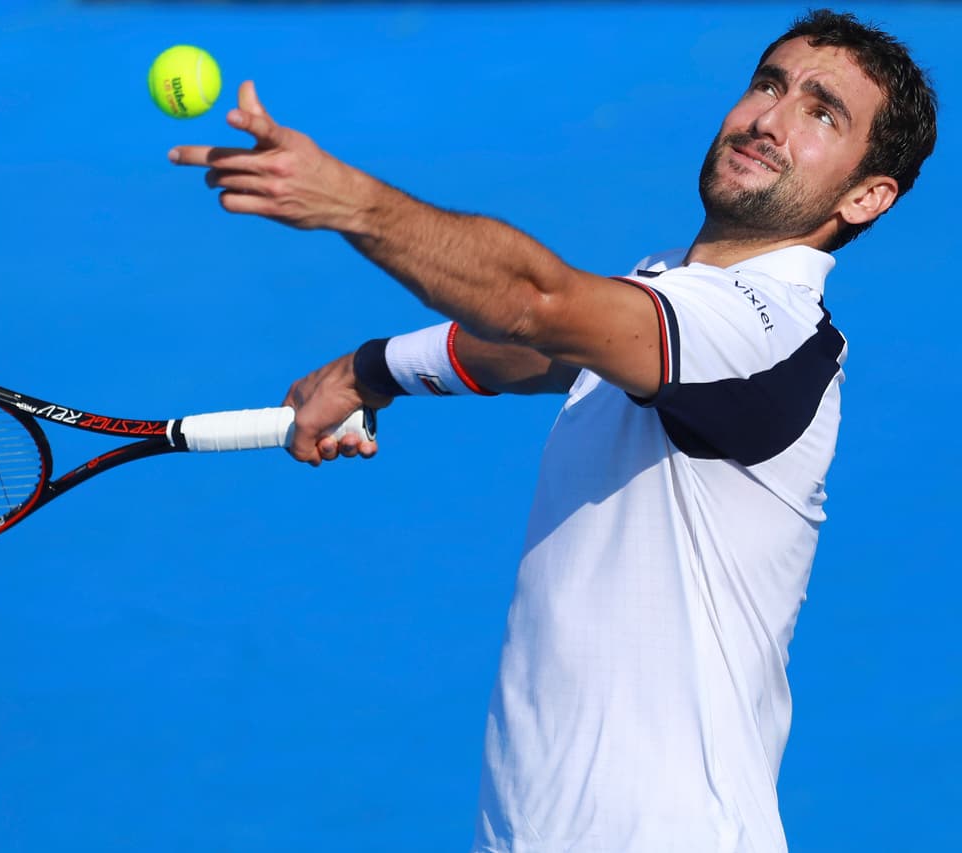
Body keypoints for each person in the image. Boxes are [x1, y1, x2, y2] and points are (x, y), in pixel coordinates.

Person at [170, 8, 936, 852]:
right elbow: (534, 351)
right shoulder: (672, 298)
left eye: (821, 113)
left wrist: (349, 202)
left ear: (867, 196)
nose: (768, 120)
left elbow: (540, 307)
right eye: (768, 84)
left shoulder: (767, 327)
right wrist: (372, 369)